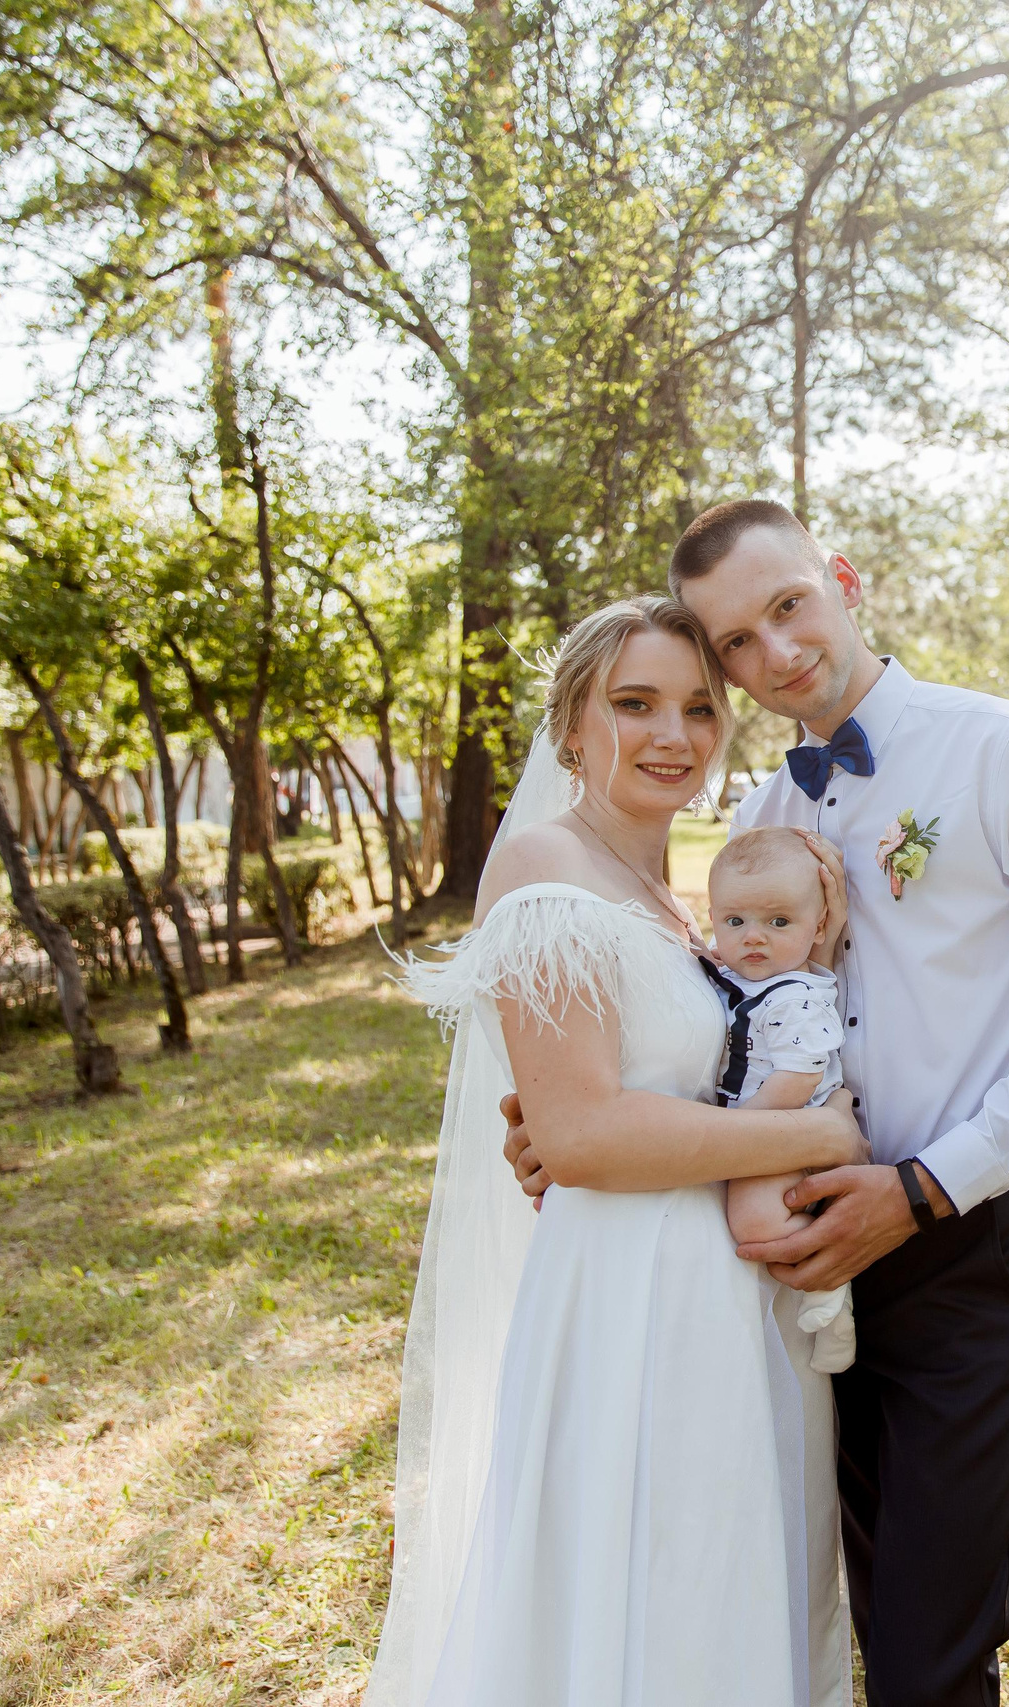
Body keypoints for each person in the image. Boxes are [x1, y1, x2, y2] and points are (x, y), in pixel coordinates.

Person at [506, 499, 1009, 1706]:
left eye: (787, 608)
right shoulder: (758, 819)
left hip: (958, 1235)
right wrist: (566, 1116)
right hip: (780, 1258)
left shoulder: (1001, 749)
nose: (774, 654)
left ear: (842, 581)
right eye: (736, 643)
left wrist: (921, 1188)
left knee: (928, 1642)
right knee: (792, 1599)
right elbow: (731, 1019)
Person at [365, 595, 864, 1707]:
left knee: (711, 1599)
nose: (670, 733)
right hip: (631, 1305)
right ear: (572, 727)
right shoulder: (548, 865)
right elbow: (585, 1134)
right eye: (633, 703)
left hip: (715, 1302)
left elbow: (620, 1095)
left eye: (697, 707)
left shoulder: (675, 898)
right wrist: (817, 1131)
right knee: (646, 1608)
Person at [709, 826, 859, 1375]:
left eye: (778, 923)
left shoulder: (796, 995)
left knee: (755, 1222)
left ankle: (834, 1286)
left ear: (818, 926)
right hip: (755, 1126)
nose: (754, 938)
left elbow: (797, 1079)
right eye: (735, 921)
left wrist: (727, 1136)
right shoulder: (735, 977)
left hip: (788, 1126)